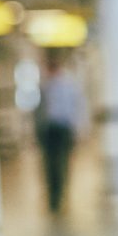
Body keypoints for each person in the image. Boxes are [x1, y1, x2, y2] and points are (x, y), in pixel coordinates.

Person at [37, 56, 84, 214]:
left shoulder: (69, 86)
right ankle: (53, 196)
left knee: (62, 163)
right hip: (49, 129)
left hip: (63, 129)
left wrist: (77, 130)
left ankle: (61, 192)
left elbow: (76, 109)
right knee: (49, 164)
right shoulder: (44, 87)